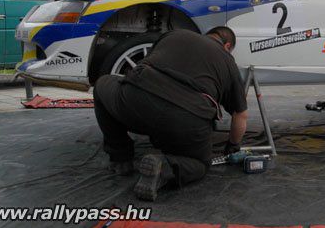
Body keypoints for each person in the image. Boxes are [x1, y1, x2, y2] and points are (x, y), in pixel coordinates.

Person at [93, 27, 248, 201]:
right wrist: (232, 146)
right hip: (186, 118)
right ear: (227, 46)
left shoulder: (175, 34)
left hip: (137, 100)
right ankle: (165, 167)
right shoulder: (228, 62)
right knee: (199, 164)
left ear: (206, 36)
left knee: (101, 86)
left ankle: (121, 158)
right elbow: (240, 115)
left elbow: (147, 62)